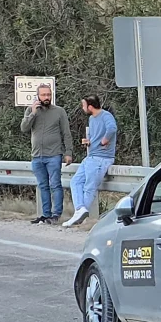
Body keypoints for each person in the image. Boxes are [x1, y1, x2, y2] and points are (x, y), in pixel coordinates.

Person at [20, 84, 73, 224]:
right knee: (43, 186)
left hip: (54, 154)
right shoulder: (31, 110)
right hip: (37, 156)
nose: (46, 97)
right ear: (38, 96)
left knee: (55, 184)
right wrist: (33, 113)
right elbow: (24, 128)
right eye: (43, 95)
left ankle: (56, 215)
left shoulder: (59, 111)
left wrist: (68, 152)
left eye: (48, 94)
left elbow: (66, 133)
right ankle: (45, 214)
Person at [64, 95, 117, 227]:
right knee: (75, 181)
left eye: (84, 105)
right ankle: (80, 210)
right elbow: (96, 136)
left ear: (90, 106)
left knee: (89, 187)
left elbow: (112, 128)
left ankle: (79, 215)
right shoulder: (92, 119)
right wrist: (89, 142)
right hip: (91, 157)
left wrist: (105, 140)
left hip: (101, 158)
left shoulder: (106, 116)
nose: (83, 108)